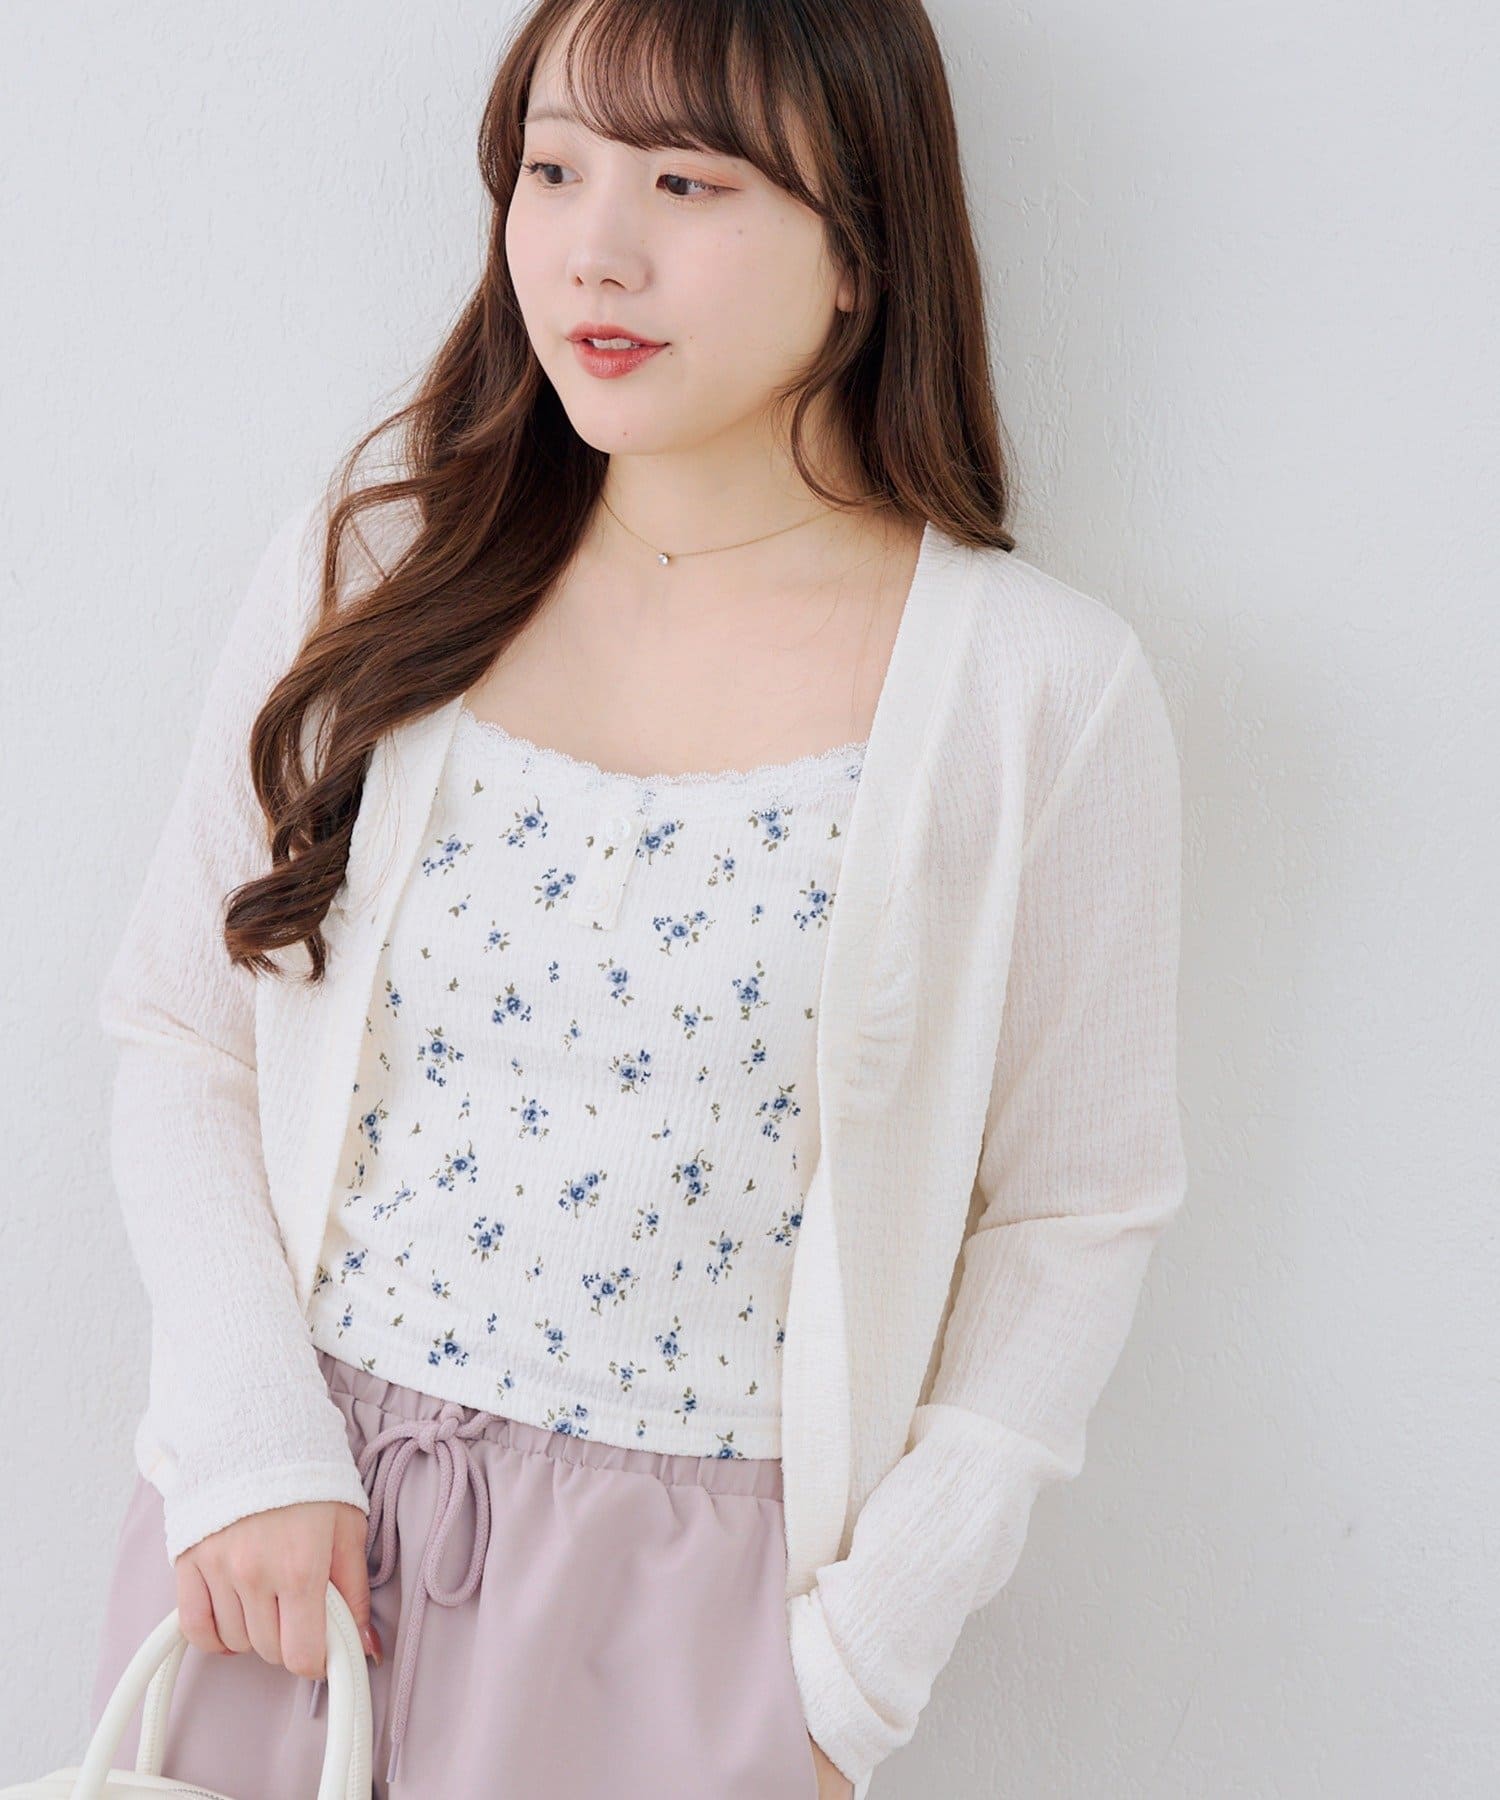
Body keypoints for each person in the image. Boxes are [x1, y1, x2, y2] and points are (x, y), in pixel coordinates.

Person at [87, 0, 1188, 1796]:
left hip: (694, 1626)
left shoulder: (1033, 692)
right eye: (553, 169)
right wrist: (247, 1443)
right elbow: (180, 1031)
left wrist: (851, 1670)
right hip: (290, 1557)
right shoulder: (375, 570)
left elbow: (1076, 1209)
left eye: (687, 181)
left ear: (862, 246)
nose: (595, 248)